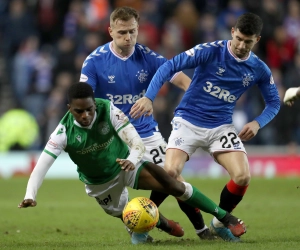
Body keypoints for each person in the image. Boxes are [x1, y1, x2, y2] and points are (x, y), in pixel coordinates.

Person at [18, 83, 247, 245]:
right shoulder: (62, 132)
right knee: (130, 215)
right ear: (70, 109)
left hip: (127, 164)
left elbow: (136, 142)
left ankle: (225, 218)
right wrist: (31, 194)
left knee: (172, 182)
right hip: (100, 185)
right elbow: (42, 166)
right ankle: (163, 224)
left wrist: (131, 160)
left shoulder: (107, 109)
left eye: (89, 109)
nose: (86, 115)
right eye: (79, 111)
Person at [130, 13, 281, 242]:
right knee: (170, 173)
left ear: (256, 40)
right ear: (232, 32)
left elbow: (274, 102)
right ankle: (145, 224)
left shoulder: (258, 69)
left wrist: (257, 122)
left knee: (242, 176)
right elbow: (169, 66)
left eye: (247, 42)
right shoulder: (209, 51)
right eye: (238, 38)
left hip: (221, 126)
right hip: (187, 121)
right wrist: (149, 97)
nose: (241, 45)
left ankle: (220, 223)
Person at [79, 6, 214, 240]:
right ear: (110, 31)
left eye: (132, 31)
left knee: (174, 180)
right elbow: (83, 98)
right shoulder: (94, 62)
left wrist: (198, 101)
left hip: (146, 133)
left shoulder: (148, 57)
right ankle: (146, 227)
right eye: (122, 32)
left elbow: (181, 79)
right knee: (115, 200)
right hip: (112, 138)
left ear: (138, 29)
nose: (128, 37)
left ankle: (202, 230)